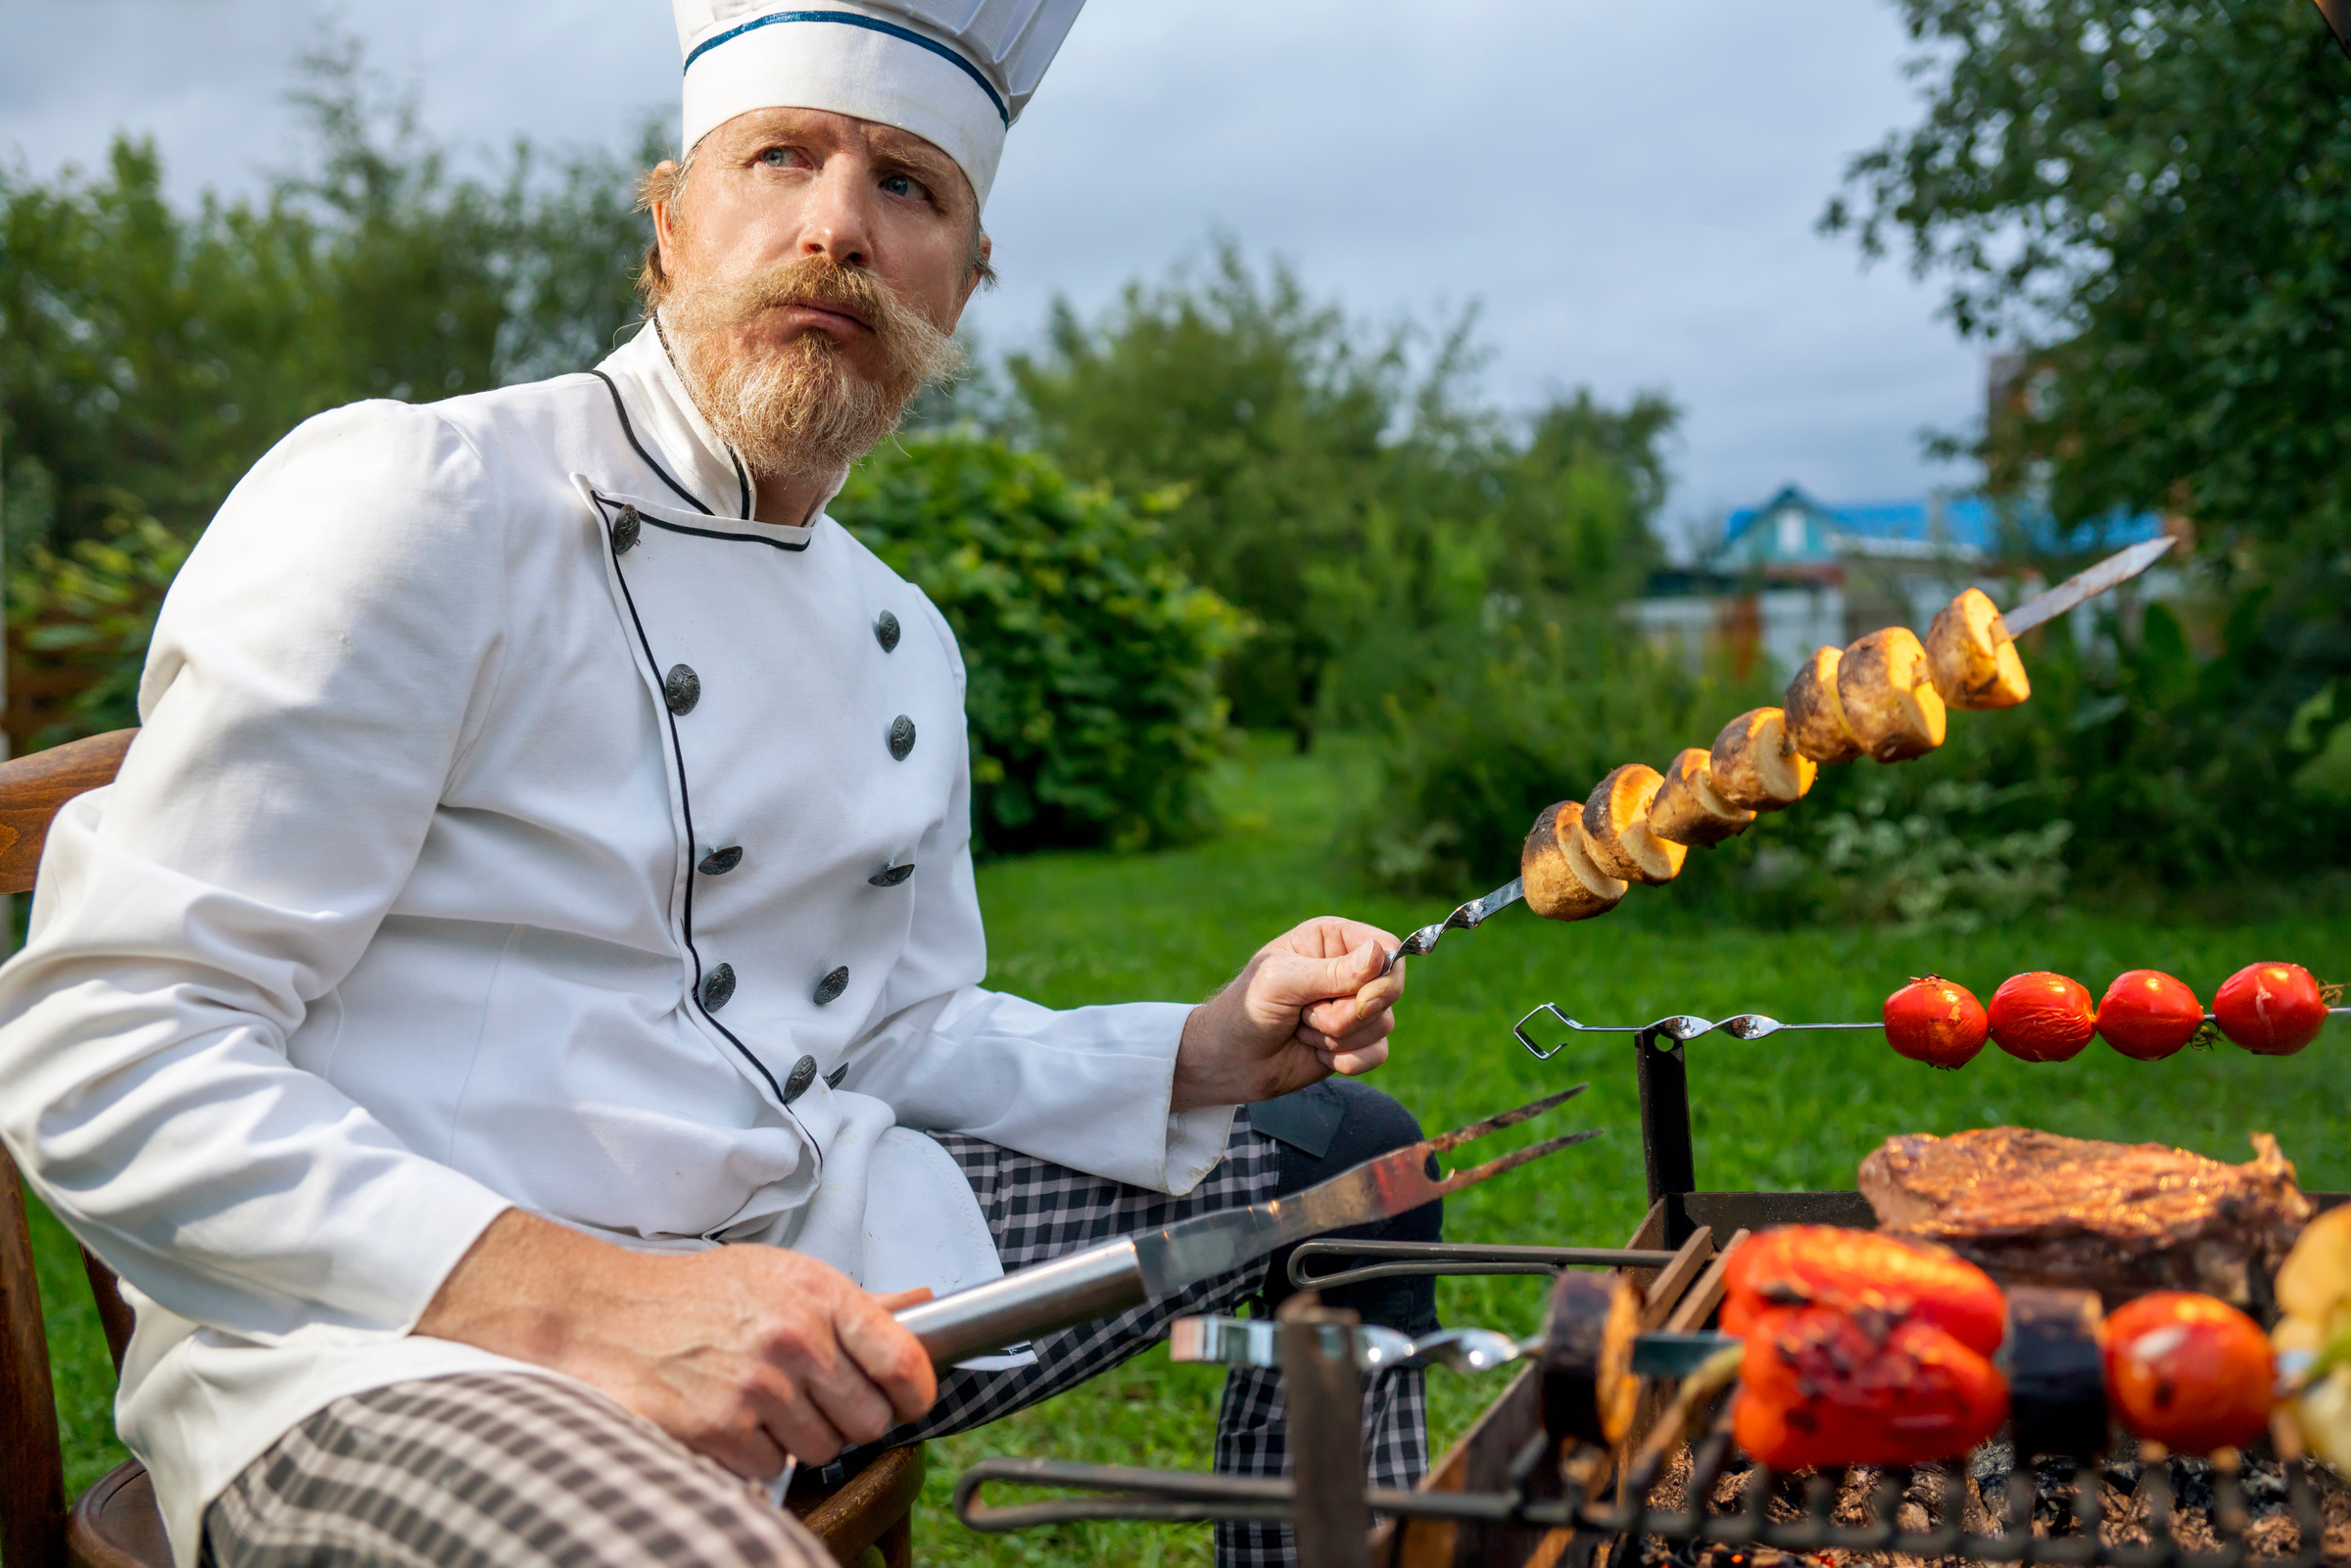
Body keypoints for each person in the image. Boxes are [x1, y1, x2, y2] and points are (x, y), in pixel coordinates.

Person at [0, 6, 1442, 1566]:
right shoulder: (423, 499)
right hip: (394, 1345)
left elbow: (891, 1027)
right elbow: (104, 1040)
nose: (837, 226)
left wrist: (1204, 1050)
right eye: (782, 157)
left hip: (799, 1255)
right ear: (671, 225)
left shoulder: (904, 636)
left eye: (909, 185)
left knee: (1352, 1168)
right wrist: (604, 1305)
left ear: (963, 279)